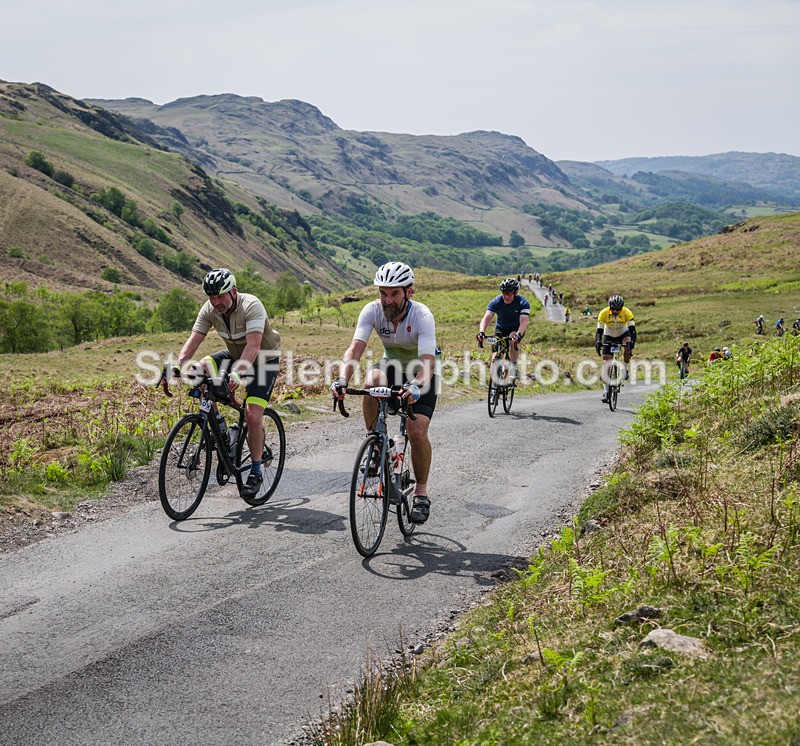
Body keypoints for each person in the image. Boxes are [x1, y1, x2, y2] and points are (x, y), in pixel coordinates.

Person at [331, 262, 437, 525]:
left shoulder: (422, 316)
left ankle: (421, 494)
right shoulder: (372, 311)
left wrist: (415, 385)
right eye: (383, 293)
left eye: (394, 294)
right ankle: (376, 441)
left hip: (421, 371)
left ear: (409, 292)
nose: (387, 300)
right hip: (390, 365)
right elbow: (355, 349)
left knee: (416, 431)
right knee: (371, 381)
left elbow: (427, 362)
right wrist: (342, 378)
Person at [174, 268, 281, 498]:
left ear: (233, 291)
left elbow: (253, 347)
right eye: (211, 297)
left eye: (220, 296)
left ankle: (255, 471)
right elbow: (193, 340)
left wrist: (236, 375)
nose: (216, 302)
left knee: (252, 414)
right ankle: (221, 432)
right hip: (234, 355)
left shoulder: (251, 306)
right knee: (199, 369)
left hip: (264, 361)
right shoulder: (210, 309)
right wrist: (178, 365)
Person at [477, 277, 531, 381]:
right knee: (496, 354)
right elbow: (486, 318)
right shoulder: (496, 301)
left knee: (512, 339)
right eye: (504, 293)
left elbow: (524, 321)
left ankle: (512, 366)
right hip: (501, 328)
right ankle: (495, 384)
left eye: (509, 294)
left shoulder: (523, 303)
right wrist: (481, 332)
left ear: (516, 293)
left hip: (516, 329)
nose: (506, 296)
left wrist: (519, 334)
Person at [595, 294, 636, 403]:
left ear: (621, 308)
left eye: (618, 309)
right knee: (605, 364)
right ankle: (606, 392)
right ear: (609, 307)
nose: (615, 311)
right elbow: (599, 331)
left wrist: (632, 343)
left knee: (627, 344)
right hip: (608, 334)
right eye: (613, 309)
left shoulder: (627, 312)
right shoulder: (603, 313)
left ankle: (626, 367)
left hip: (623, 333)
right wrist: (598, 342)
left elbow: (632, 330)